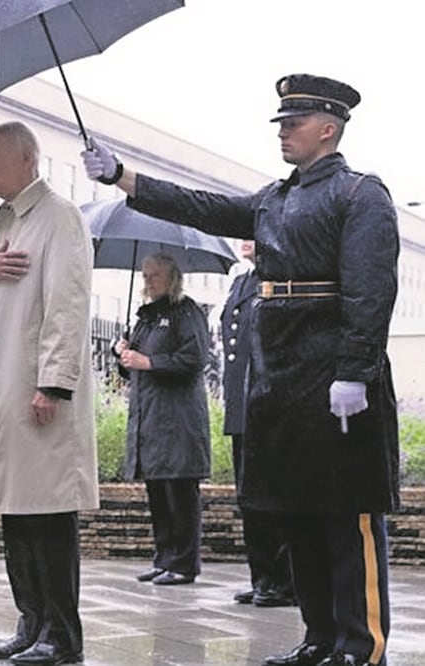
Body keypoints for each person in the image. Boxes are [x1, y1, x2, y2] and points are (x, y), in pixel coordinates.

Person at [82, 74, 399, 666]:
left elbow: (371, 292)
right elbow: (202, 206)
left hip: (334, 378)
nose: (283, 132)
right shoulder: (272, 200)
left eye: (294, 122)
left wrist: (355, 370)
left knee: (344, 514)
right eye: (281, 122)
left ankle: (361, 646)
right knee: (296, 513)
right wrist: (123, 176)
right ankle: (320, 637)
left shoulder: (361, 196)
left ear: (328, 128)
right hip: (279, 378)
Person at [0, 120, 97, 666]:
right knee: (17, 514)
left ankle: (61, 635)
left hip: (39, 394)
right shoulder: (0, 224)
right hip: (3, 391)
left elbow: (69, 305)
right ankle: (30, 622)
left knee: (49, 515)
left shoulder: (60, 218)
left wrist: (54, 384)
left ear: (26, 160)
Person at [115, 252, 210, 587]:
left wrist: (150, 361)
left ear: (173, 277)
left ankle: (184, 563)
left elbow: (195, 359)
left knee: (180, 491)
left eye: (155, 275)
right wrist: (124, 355)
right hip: (150, 419)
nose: (148, 281)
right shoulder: (147, 317)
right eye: (145, 275)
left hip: (178, 419)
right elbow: (132, 371)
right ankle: (164, 557)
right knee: (158, 491)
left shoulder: (188, 313)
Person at [221, 239, 295, 608]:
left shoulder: (279, 277)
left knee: (273, 497)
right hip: (242, 406)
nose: (244, 241)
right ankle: (262, 576)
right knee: (249, 499)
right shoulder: (241, 282)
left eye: (252, 233)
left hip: (268, 403)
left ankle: (284, 581)